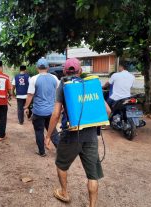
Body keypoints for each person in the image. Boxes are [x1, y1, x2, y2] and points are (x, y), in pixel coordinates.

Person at [45, 58, 111, 206]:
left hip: (70, 135)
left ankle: (64, 192)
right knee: (92, 174)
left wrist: (48, 135)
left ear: (64, 71)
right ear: (80, 71)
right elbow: (107, 110)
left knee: (61, 164)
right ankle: (92, 205)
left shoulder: (64, 85)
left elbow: (55, 114)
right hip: (91, 136)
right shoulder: (90, 85)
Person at [23, 57, 60, 157]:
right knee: (52, 131)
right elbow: (59, 93)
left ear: (37, 68)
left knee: (39, 131)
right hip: (52, 111)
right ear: (48, 67)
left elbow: (30, 95)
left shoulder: (34, 79)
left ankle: (42, 152)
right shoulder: (55, 78)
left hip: (38, 112)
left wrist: (26, 107)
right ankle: (60, 151)